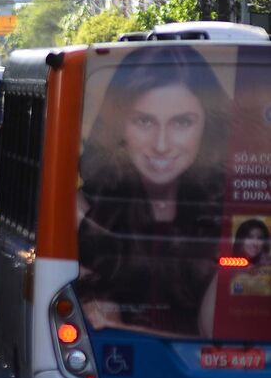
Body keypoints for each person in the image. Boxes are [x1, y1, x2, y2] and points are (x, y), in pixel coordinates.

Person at [76, 44, 231, 338]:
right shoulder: (80, 212)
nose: (161, 144)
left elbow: (218, 336)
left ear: (207, 126)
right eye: (144, 121)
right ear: (120, 126)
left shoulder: (232, 219)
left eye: (182, 122)